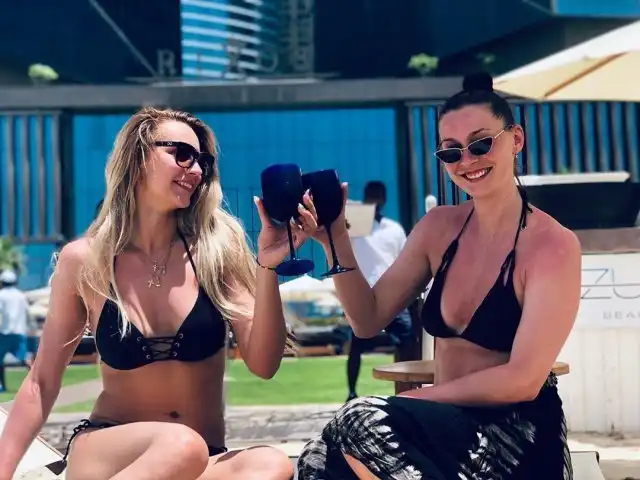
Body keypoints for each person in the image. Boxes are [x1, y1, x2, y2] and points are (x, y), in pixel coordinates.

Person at [0, 106, 320, 480]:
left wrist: (267, 266)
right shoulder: (85, 260)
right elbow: (41, 383)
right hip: (109, 452)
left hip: (200, 458)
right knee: (181, 445)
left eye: (203, 161)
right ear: (137, 157)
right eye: (182, 154)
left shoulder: (218, 249)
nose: (196, 170)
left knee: (270, 464)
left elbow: (264, 365)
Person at [298, 73, 580, 479]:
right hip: (442, 428)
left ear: (516, 139)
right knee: (318, 458)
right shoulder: (438, 228)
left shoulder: (552, 246)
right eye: (451, 152)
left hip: (513, 438)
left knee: (358, 420)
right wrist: (335, 239)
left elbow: (523, 381)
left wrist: (421, 398)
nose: (467, 161)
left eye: (481, 144)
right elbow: (367, 320)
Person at [344, 181, 415, 401]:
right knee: (356, 345)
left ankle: (407, 388)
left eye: (377, 196)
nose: (374, 200)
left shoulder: (394, 229)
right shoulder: (354, 225)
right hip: (364, 294)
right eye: (370, 196)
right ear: (365, 198)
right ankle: (352, 391)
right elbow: (338, 223)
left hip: (393, 295)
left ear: (384, 199)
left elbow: (404, 260)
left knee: (408, 340)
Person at [0, 269, 31, 392]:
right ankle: (38, 381)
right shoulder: (21, 295)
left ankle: (2, 386)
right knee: (24, 359)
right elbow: (27, 312)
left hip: (5, 332)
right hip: (20, 332)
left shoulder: (1, 295)